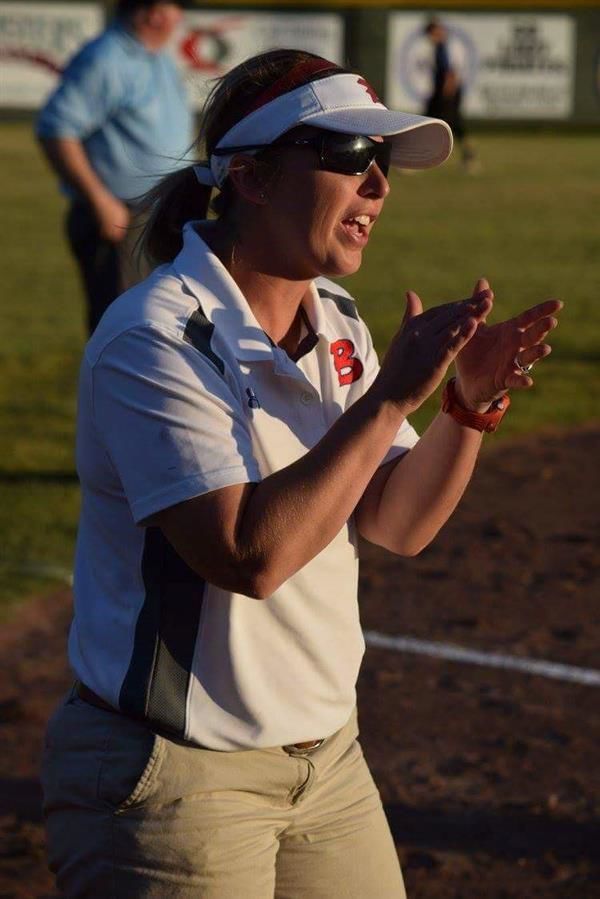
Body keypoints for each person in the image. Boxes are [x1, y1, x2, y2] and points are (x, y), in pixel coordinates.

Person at [40, 48, 561, 898]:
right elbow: (250, 554)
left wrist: (465, 409)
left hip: (328, 762)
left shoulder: (338, 320)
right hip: (178, 779)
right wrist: (388, 400)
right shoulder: (156, 339)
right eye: (350, 155)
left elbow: (397, 521)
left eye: (382, 160)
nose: (378, 186)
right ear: (250, 177)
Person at [36, 0, 193, 334]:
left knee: (162, 326)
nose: (181, 18)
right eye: (177, 7)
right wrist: (101, 201)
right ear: (154, 13)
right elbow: (56, 129)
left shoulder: (157, 57)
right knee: (127, 329)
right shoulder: (107, 59)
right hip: (123, 219)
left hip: (159, 215)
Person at [424, 18, 478, 173]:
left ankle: (469, 158)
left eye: (432, 33)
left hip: (448, 92)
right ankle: (468, 158)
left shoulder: (448, 46)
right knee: (433, 122)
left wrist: (446, 93)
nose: (431, 37)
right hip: (442, 91)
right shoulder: (440, 47)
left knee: (450, 124)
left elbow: (451, 73)